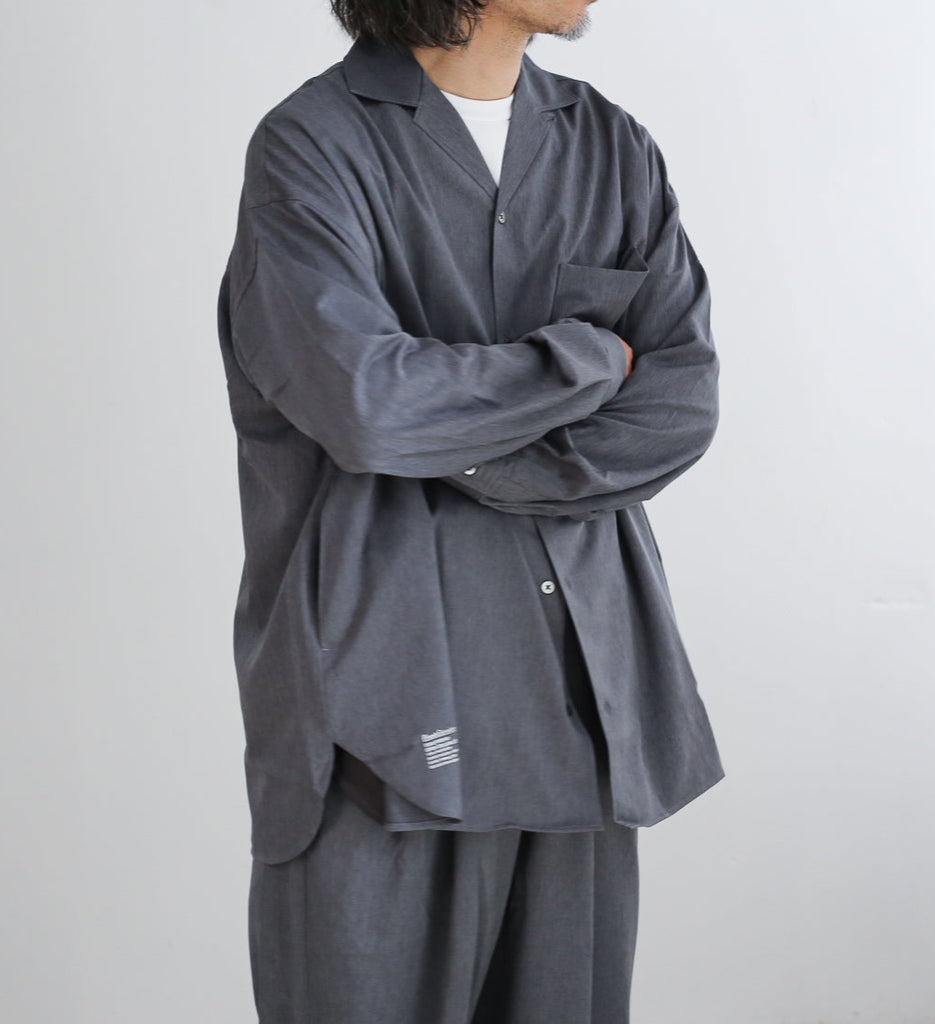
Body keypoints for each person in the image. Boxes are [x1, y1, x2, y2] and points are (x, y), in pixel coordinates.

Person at [216, 0, 724, 1020]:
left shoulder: (611, 148)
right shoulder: (311, 148)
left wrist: (454, 444)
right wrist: (587, 359)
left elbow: (679, 405)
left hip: (581, 702)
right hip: (382, 713)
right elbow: (368, 406)